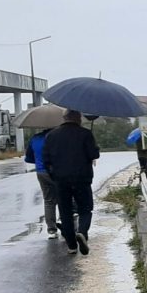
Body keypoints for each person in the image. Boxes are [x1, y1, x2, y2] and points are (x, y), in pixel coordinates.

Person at [42, 109, 100, 255]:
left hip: (61, 179)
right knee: (85, 209)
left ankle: (71, 246)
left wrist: (54, 176)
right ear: (78, 118)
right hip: (82, 178)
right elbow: (93, 154)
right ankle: (82, 232)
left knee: (65, 211)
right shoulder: (85, 134)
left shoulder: (52, 135)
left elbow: (46, 159)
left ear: (64, 118)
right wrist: (95, 147)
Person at [24, 127, 59, 239]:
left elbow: (29, 158)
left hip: (41, 172)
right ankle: (66, 225)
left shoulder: (35, 138)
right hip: (57, 171)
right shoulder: (57, 137)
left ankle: (51, 230)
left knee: (49, 200)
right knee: (64, 197)